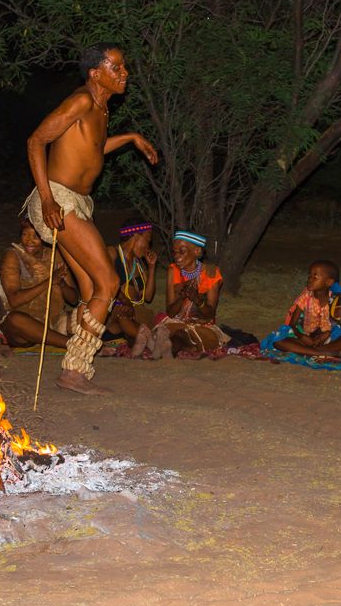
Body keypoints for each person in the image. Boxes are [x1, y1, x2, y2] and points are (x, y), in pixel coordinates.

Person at [25, 43, 159, 394]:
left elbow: (93, 149)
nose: (124, 73)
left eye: (124, 67)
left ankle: (72, 354)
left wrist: (131, 138)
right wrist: (47, 197)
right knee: (108, 283)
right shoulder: (83, 100)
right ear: (95, 73)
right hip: (58, 200)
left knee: (91, 290)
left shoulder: (101, 110)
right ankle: (75, 370)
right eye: (116, 67)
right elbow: (36, 140)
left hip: (79, 204)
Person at [0, 218, 76, 349]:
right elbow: (14, 301)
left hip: (54, 322)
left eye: (35, 235)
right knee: (15, 320)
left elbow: (73, 299)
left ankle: (58, 339)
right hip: (24, 330)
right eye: (25, 234)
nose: (29, 240)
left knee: (87, 313)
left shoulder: (56, 255)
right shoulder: (13, 255)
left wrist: (61, 284)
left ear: (45, 237)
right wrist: (50, 281)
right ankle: (72, 345)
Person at [150, 231, 230, 359]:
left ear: (197, 251)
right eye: (174, 252)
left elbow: (210, 314)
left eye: (182, 251)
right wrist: (182, 296)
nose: (177, 257)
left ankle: (166, 347)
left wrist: (197, 299)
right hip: (177, 321)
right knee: (179, 334)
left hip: (201, 326)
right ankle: (172, 348)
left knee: (186, 336)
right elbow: (170, 312)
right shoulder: (173, 270)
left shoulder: (211, 273)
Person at [266, 260, 341, 361]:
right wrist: (301, 336)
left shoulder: (336, 299)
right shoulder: (305, 297)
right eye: (310, 276)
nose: (310, 280)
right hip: (306, 338)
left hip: (330, 339)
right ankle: (318, 353)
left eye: (315, 277)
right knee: (278, 341)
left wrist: (327, 334)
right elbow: (292, 324)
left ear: (329, 282)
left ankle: (311, 351)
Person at [106, 219, 158, 356]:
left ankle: (140, 338)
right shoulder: (112, 253)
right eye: (148, 239)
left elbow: (148, 297)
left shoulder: (139, 264)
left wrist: (152, 268)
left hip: (135, 314)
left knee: (136, 314)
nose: (148, 245)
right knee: (120, 310)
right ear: (136, 235)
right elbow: (106, 284)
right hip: (115, 312)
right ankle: (147, 339)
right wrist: (124, 301)